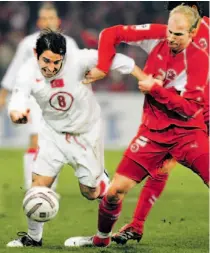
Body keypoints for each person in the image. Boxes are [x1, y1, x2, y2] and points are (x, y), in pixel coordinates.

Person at [65, 5, 209, 248]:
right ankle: (102, 239)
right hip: (152, 133)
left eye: (179, 34)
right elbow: (110, 34)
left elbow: (190, 110)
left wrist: (155, 89)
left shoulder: (199, 57)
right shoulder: (158, 35)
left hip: (189, 131)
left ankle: (136, 224)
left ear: (193, 30)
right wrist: (102, 66)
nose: (171, 38)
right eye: (170, 32)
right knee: (113, 192)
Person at [6, 28, 147, 247]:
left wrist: (144, 78)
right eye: (46, 61)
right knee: (39, 185)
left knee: (91, 193)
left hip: (85, 134)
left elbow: (119, 59)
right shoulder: (27, 72)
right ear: (36, 54)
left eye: (56, 62)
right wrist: (17, 113)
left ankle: (101, 182)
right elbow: (18, 98)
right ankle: (33, 238)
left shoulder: (79, 59)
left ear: (64, 57)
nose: (51, 68)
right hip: (52, 134)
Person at [0, 3, 78, 191]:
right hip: (34, 98)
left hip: (59, 100)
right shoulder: (28, 43)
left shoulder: (69, 44)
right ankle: (32, 187)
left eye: (51, 18)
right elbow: (15, 69)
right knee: (36, 138)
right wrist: (4, 94)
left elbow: (78, 73)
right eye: (44, 18)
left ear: (58, 21)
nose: (47, 21)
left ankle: (47, 187)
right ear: (39, 21)